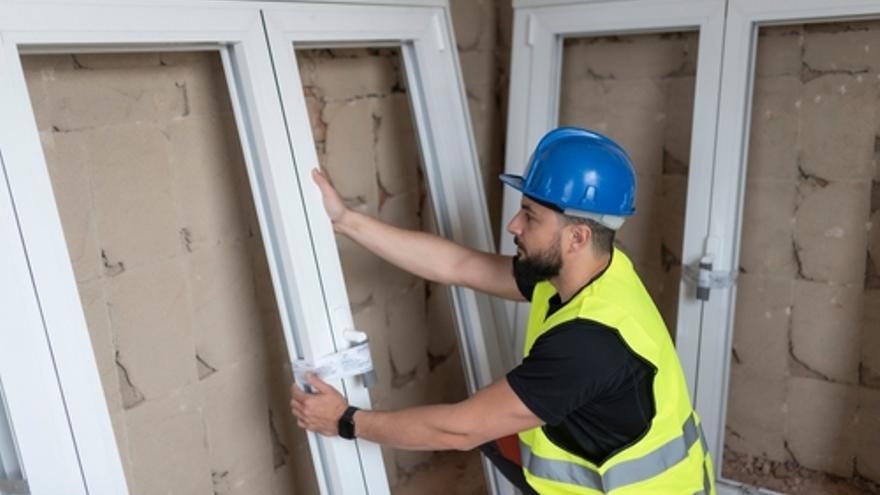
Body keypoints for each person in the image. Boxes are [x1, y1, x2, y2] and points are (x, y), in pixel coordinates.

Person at [290, 127, 715, 494]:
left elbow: (458, 429)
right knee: (497, 427)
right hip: (626, 465)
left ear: (577, 236)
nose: (514, 225)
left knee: (479, 423)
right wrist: (345, 219)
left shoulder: (592, 343)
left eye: (530, 216)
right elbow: (458, 266)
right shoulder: (591, 272)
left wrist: (345, 420)